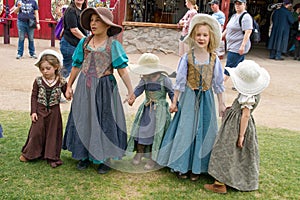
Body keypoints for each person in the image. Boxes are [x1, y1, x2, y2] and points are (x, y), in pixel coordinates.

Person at [62, 7, 134, 174]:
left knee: (105, 120)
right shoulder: (84, 42)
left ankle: (105, 158)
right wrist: (69, 85)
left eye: (98, 20)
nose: (93, 24)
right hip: (84, 87)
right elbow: (76, 65)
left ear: (107, 25)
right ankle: (83, 155)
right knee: (84, 118)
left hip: (104, 88)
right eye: (92, 20)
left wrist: (131, 91)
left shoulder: (113, 45)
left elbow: (122, 69)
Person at [156, 14, 226, 181]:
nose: (201, 38)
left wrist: (222, 105)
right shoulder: (187, 57)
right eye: (198, 35)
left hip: (206, 99)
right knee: (186, 130)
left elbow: (218, 84)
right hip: (188, 98)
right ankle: (182, 165)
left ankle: (198, 167)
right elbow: (179, 82)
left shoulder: (214, 59)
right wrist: (174, 101)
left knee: (205, 131)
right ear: (193, 36)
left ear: (210, 38)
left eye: (205, 35)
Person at [204, 60, 270, 194]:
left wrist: (241, 136)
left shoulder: (248, 96)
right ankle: (235, 178)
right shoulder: (255, 93)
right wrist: (232, 109)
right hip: (238, 122)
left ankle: (219, 184)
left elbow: (245, 115)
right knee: (236, 154)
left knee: (225, 150)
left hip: (236, 126)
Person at [19, 49, 67, 168]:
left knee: (52, 133)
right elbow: (34, 96)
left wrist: (70, 93)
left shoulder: (61, 81)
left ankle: (51, 156)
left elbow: (67, 94)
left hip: (54, 112)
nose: (45, 71)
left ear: (55, 67)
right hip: (40, 110)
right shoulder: (38, 81)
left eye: (48, 68)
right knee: (36, 132)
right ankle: (31, 153)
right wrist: (33, 111)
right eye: (42, 69)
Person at [126, 53, 174, 170]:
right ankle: (139, 153)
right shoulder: (145, 79)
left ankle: (153, 158)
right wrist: (133, 97)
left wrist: (174, 103)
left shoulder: (164, 80)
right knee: (141, 131)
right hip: (147, 110)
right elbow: (138, 89)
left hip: (160, 111)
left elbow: (172, 93)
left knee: (156, 134)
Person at [222, 0, 252, 84]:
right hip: (232, 45)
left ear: (245, 5)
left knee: (229, 67)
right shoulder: (234, 16)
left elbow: (248, 31)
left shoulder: (246, 17)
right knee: (238, 67)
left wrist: (242, 45)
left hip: (237, 47)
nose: (237, 6)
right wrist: (220, 37)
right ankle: (241, 84)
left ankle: (221, 83)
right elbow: (227, 29)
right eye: (236, 4)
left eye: (240, 4)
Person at [60, 0, 87, 78]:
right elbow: (74, 30)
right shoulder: (71, 10)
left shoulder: (82, 11)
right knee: (68, 70)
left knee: (73, 69)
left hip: (76, 44)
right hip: (69, 44)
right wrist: (86, 39)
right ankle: (60, 87)